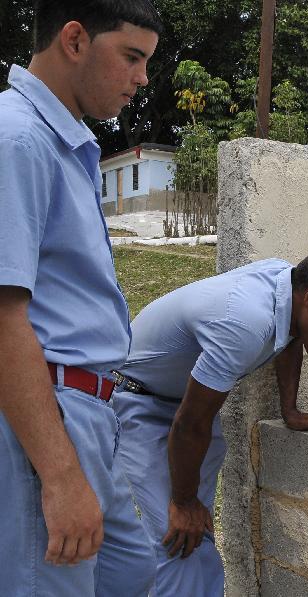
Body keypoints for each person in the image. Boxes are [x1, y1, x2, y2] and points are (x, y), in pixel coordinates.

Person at [0, 2, 162, 596]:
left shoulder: (65, 142)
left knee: (128, 571)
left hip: (92, 410)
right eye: (131, 56)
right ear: (74, 40)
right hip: (46, 411)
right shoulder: (18, 138)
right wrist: (60, 474)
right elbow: (2, 319)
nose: (142, 78)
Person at [112, 249, 308, 596]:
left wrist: (290, 411)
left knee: (197, 535)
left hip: (185, 408)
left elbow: (292, 336)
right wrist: (184, 500)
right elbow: (190, 424)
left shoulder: (288, 288)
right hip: (142, 402)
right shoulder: (244, 320)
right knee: (176, 537)